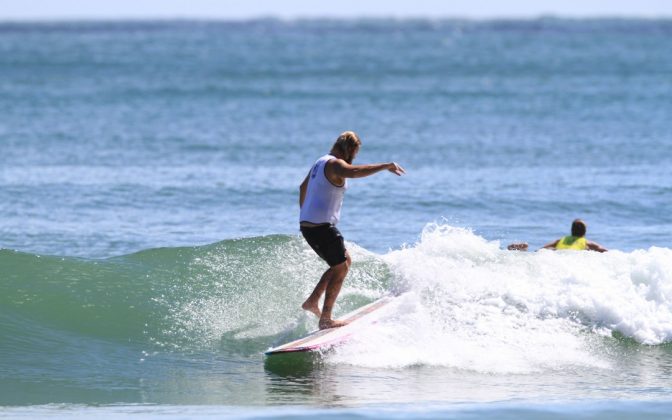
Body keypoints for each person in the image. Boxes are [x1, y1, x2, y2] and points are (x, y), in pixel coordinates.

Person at [299, 131, 405, 329]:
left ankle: (313, 301)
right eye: (354, 154)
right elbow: (354, 172)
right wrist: (385, 166)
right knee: (341, 267)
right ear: (350, 150)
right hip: (321, 227)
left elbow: (302, 187)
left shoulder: (320, 162)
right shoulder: (335, 164)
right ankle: (326, 319)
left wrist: (305, 214)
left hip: (310, 225)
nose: (354, 158)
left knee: (343, 261)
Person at [507, 219, 607, 253]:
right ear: (584, 232)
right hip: (573, 256)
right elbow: (604, 250)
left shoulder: (560, 240)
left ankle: (522, 250)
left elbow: (542, 249)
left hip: (557, 253)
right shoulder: (586, 242)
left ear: (571, 230)